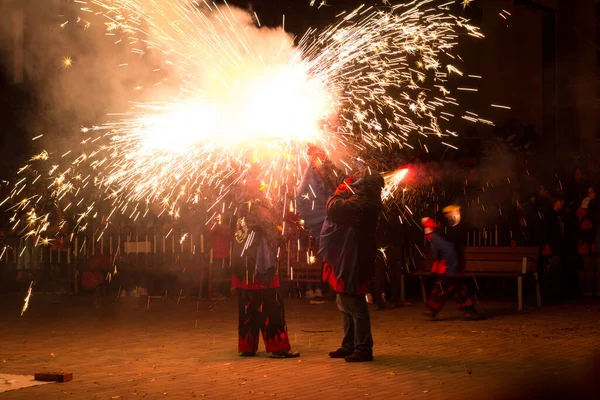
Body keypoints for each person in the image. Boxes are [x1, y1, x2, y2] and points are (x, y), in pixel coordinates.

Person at [320, 169, 384, 362]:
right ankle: (349, 345)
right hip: (352, 256)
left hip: (356, 259)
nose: (356, 187)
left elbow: (333, 207)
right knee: (344, 303)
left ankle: (363, 348)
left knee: (354, 304)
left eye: (359, 184)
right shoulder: (365, 199)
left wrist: (341, 189)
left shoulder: (364, 203)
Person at [231, 179, 299, 358]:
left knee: (248, 309)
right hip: (261, 272)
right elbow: (275, 236)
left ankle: (247, 347)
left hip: (243, 270)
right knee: (271, 308)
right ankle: (278, 348)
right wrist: (290, 231)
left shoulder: (242, 208)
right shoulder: (261, 210)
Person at [421, 216, 483, 320]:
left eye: (426, 227)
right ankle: (470, 311)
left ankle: (432, 309)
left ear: (430, 228)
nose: (425, 230)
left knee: (442, 288)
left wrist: (451, 268)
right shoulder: (435, 237)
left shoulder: (436, 238)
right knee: (458, 289)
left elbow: (449, 250)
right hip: (451, 267)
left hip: (450, 269)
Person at [540, 193, 565, 301]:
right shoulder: (550, 215)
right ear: (555, 203)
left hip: (556, 246)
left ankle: (553, 293)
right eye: (560, 201)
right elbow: (547, 231)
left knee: (555, 270)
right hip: (552, 246)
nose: (562, 203)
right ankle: (550, 294)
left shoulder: (557, 214)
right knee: (552, 270)